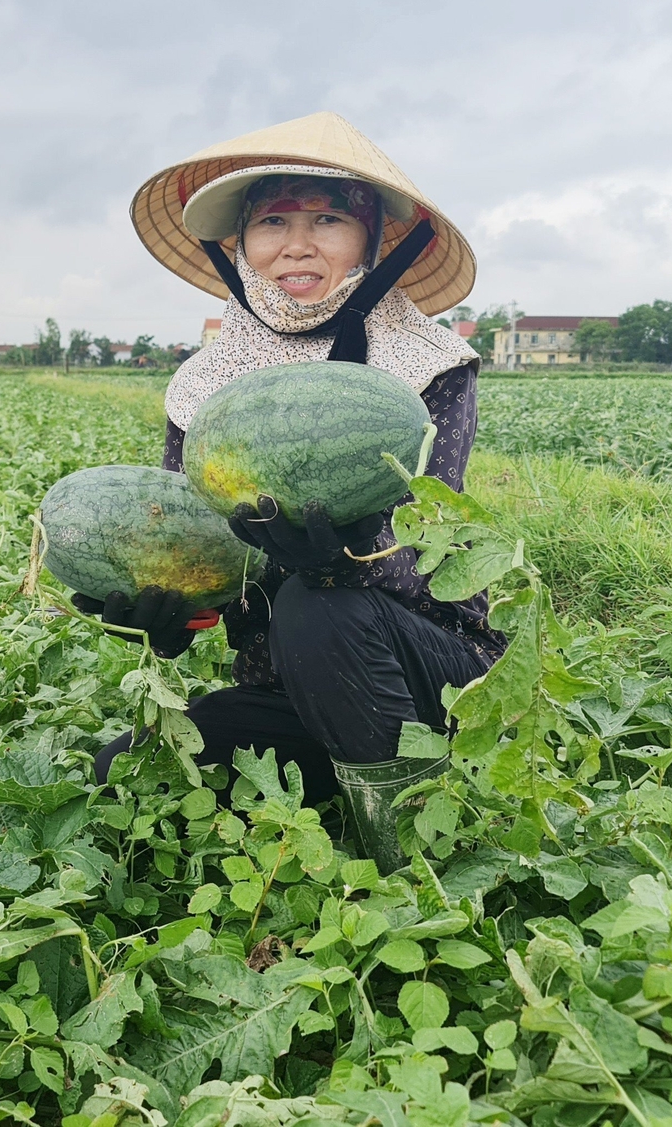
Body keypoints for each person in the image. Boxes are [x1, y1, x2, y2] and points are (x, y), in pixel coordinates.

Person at [85, 112, 502, 869]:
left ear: (375, 242)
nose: (297, 242)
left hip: (434, 673)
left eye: (329, 218)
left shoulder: (429, 368)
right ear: (239, 245)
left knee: (320, 604)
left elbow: (429, 553)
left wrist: (337, 560)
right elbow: (199, 547)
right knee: (121, 771)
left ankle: (409, 854)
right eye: (273, 219)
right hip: (291, 684)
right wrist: (169, 609)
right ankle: (350, 776)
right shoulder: (204, 388)